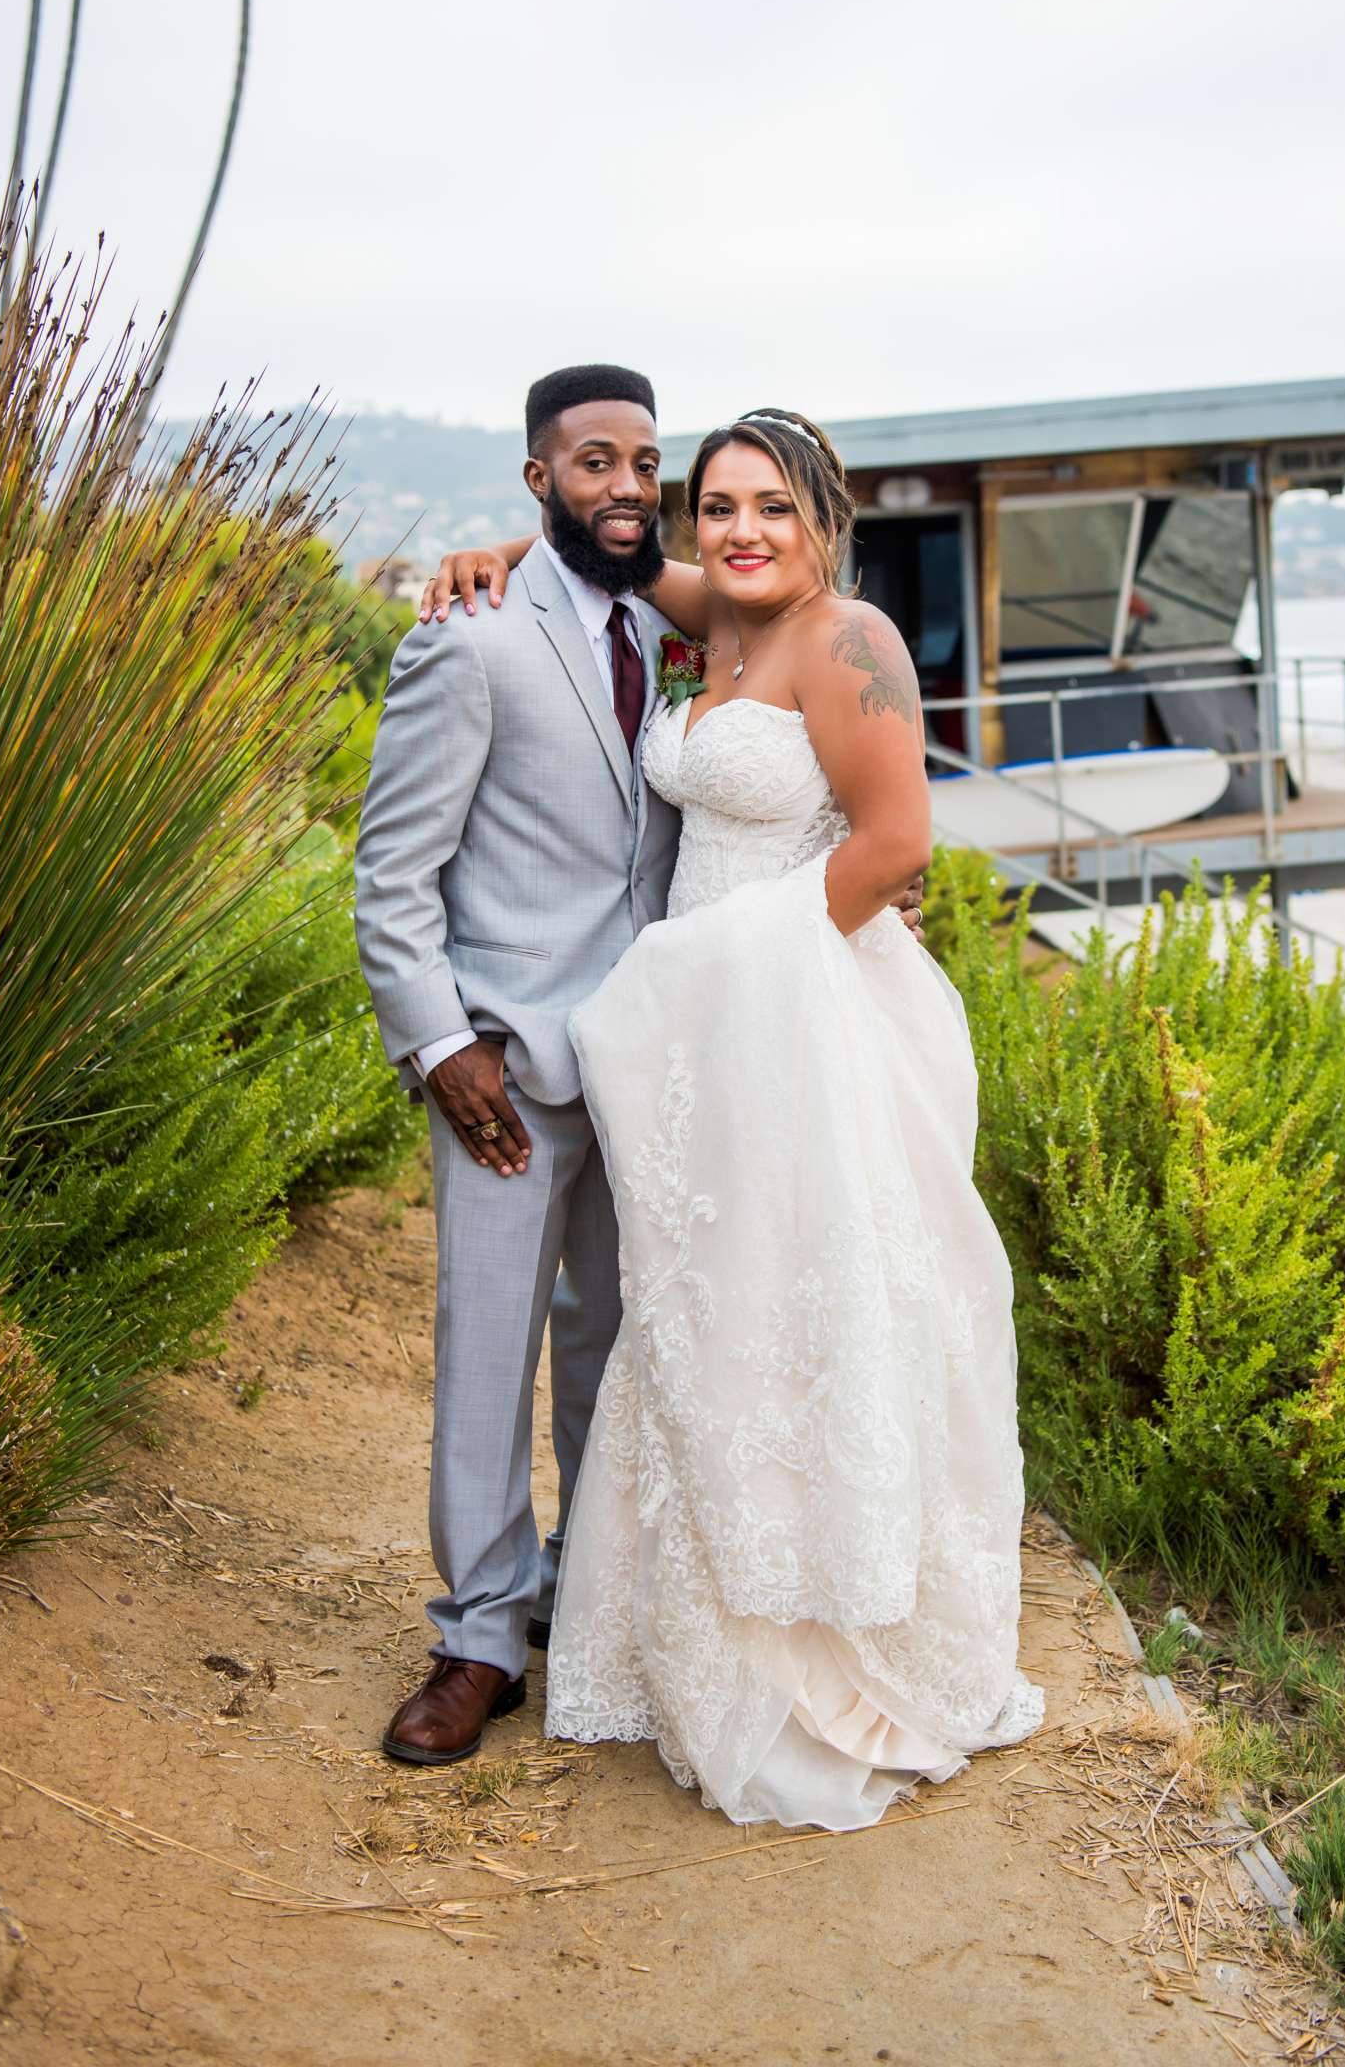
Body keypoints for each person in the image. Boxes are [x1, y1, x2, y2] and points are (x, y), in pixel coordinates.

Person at [424, 408, 1042, 1831]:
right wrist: (494, 550)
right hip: (698, 1040)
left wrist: (723, 978)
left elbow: (897, 848)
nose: (738, 530)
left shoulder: (850, 643)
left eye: (769, 505)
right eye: (717, 506)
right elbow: (602, 555)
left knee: (805, 1306)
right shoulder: (719, 609)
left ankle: (825, 1637)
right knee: (699, 1307)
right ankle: (671, 1623)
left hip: (796, 1019)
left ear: (820, 515)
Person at [353, 367, 922, 1769]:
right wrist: (440, 1045)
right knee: (489, 1350)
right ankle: (477, 1638)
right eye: (590, 462)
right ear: (539, 477)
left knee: (642, 1342)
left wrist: (861, 892)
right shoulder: (483, 631)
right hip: (515, 1065)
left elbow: (873, 819)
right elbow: (391, 873)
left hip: (692, 1064)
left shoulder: (715, 617)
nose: (627, 486)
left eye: (644, 465)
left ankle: (591, 1592)